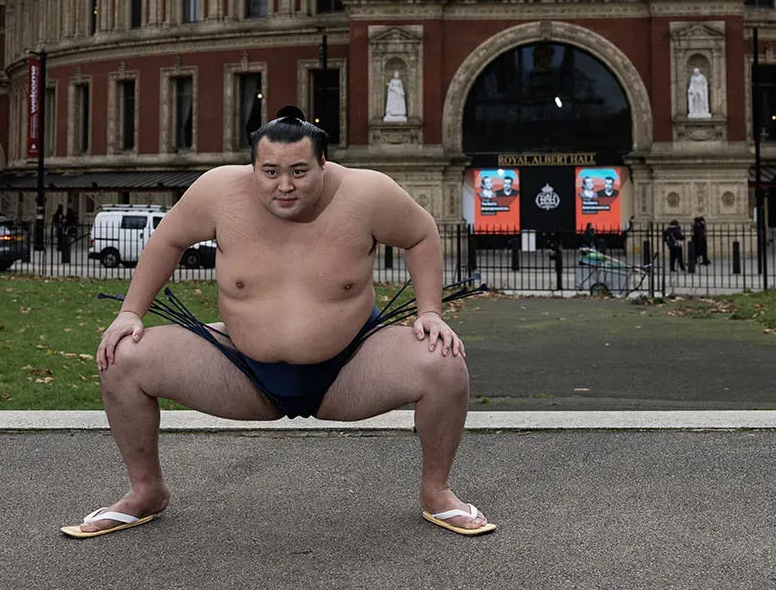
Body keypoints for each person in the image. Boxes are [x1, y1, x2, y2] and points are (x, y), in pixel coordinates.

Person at [63, 108, 493, 539]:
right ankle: (145, 491)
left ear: (323, 164)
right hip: (241, 368)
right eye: (269, 171)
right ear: (253, 167)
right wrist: (130, 313)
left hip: (352, 364)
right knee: (121, 357)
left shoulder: (368, 193)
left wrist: (430, 312)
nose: (284, 185)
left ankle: (437, 492)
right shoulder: (217, 192)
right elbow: (167, 241)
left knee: (444, 361)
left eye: (299, 171)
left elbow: (421, 235)